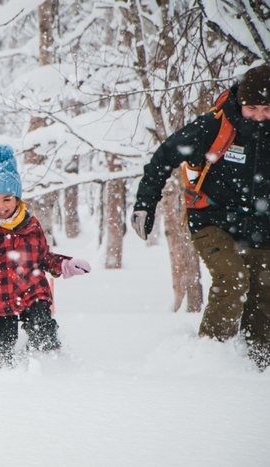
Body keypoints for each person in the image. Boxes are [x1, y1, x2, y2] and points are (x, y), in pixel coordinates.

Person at [131, 64, 270, 371]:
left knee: (264, 290)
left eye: (265, 109)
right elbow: (164, 155)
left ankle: (260, 365)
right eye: (251, 108)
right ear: (239, 102)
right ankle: (211, 360)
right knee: (233, 279)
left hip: (263, 227)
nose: (258, 116)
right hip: (212, 220)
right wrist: (145, 203)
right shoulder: (215, 127)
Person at [0, 145, 91, 368]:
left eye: (8, 199)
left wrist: (65, 265)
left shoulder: (31, 227)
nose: (1, 206)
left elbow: (43, 258)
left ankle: (50, 371)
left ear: (17, 199)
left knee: (44, 334)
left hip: (33, 295)